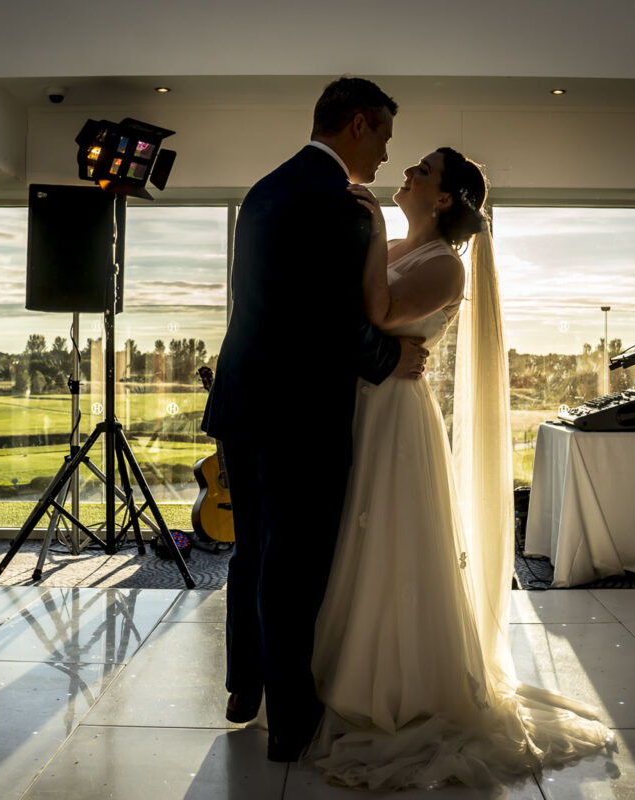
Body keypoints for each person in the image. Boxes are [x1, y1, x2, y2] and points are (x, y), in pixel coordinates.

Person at [306, 148, 613, 789]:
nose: (408, 173)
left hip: (395, 416)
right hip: (362, 403)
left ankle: (394, 685)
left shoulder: (445, 266)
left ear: (444, 198)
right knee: (350, 540)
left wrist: (370, 238)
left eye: (423, 169)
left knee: (389, 543)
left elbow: (383, 314)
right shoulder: (393, 246)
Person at [200, 77, 430, 762]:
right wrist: (391, 357)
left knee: (252, 549)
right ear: (359, 124)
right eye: (385, 135)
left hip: (243, 399)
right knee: (295, 563)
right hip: (303, 411)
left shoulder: (262, 192)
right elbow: (331, 319)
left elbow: (269, 303)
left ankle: (245, 687)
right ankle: (291, 719)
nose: (388, 154)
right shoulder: (341, 208)